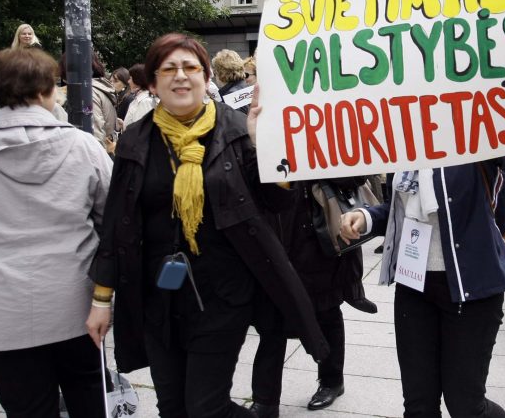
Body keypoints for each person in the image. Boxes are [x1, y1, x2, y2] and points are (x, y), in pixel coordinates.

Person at [86, 33, 329, 418]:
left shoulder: (236, 128)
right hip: (158, 296)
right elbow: (118, 224)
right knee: (172, 407)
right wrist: (101, 300)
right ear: (152, 82)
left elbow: (278, 202)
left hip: (223, 295)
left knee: (206, 407)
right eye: (169, 69)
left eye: (191, 68)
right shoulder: (135, 139)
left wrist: (266, 148)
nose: (181, 76)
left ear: (206, 77)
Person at [339, 70, 505, 417]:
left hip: (472, 286)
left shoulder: (480, 129)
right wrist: (366, 217)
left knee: (466, 405)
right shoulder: (403, 137)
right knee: (419, 406)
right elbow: (400, 205)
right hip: (414, 285)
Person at [0, 48, 113, 416]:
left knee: (25, 407)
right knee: (89, 394)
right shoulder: (82, 146)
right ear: (48, 92)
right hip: (74, 301)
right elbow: (111, 215)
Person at [249, 180, 376, 416]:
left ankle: (332, 380)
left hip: (316, 231)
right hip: (273, 228)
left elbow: (356, 176)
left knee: (326, 310)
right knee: (272, 321)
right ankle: (265, 400)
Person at [122, 63, 156, 128]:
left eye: (130, 78)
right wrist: (123, 124)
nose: (128, 81)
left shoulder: (145, 101)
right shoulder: (139, 99)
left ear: (137, 80)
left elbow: (142, 130)